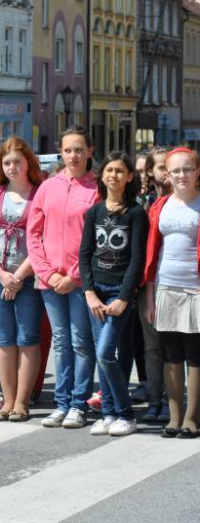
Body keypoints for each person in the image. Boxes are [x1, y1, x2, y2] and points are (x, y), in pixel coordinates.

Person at [27, 126, 99, 429]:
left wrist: (73, 276)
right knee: (60, 342)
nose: (73, 155)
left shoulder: (96, 189)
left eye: (79, 149)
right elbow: (33, 233)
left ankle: (79, 403)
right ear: (61, 152)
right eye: (68, 150)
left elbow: (99, 241)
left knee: (82, 342)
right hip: (50, 281)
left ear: (90, 152)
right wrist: (47, 273)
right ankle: (62, 402)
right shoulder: (48, 186)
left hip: (80, 282)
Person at [79, 152, 147, 437]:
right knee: (101, 352)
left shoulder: (136, 213)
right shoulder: (94, 212)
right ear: (102, 175)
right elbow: (85, 254)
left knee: (107, 352)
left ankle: (126, 414)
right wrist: (89, 292)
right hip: (97, 292)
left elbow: (137, 258)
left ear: (129, 176)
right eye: (109, 170)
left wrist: (124, 297)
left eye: (120, 171)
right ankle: (108, 414)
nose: (114, 175)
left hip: (120, 294)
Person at [0, 137, 44, 421]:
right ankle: (7, 400)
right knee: (4, 340)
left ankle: (22, 401)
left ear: (28, 162)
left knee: (28, 338)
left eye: (17, 161)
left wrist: (17, 276)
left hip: (27, 276)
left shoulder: (40, 194)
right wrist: (2, 275)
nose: (12, 167)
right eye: (7, 162)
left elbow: (42, 239)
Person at [143, 147, 200, 439]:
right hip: (165, 287)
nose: (181, 175)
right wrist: (150, 297)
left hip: (196, 290)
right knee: (171, 355)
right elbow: (153, 254)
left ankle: (192, 418)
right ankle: (175, 417)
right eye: (175, 170)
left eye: (187, 169)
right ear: (167, 173)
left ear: (197, 172)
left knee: (195, 355)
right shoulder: (160, 205)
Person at [138, 146, 172, 423]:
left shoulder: (184, 201)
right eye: (159, 167)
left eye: (168, 166)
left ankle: (174, 400)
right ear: (150, 171)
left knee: (176, 346)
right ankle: (154, 398)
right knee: (152, 346)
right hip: (147, 284)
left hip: (175, 282)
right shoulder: (143, 203)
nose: (165, 172)